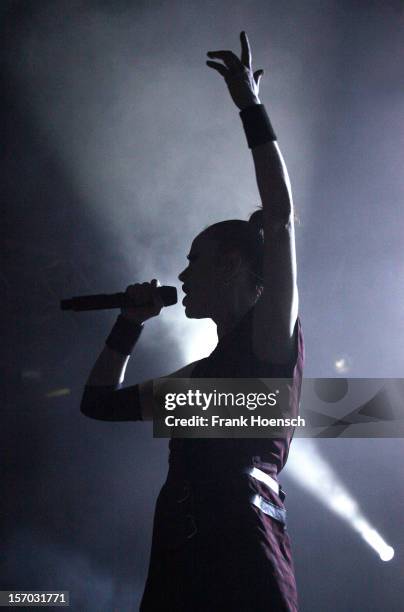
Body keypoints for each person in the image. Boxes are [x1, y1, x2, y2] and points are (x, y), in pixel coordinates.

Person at [81, 32, 303, 612]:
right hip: (180, 559)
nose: (182, 273)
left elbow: (278, 218)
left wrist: (249, 106)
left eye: (194, 260)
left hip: (244, 558)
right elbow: (98, 403)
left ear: (231, 265)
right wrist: (129, 323)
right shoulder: (199, 386)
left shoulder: (269, 343)